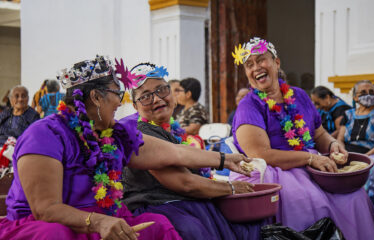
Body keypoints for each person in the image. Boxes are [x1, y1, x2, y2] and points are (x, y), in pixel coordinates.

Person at [0, 56, 250, 240]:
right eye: (117, 93)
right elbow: (46, 210)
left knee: (158, 225)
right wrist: (97, 221)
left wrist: (222, 159)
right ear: (97, 98)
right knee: (55, 234)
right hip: (52, 226)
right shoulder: (45, 134)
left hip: (103, 219)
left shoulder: (114, 133)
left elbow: (174, 152)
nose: (121, 102)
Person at [229, 37, 374, 239]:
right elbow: (260, 153)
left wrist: (334, 144)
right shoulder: (249, 106)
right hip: (274, 169)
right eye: (249, 65)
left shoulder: (299, 95)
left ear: (276, 63)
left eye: (261, 60)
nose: (256, 67)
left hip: (312, 165)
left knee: (355, 196)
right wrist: (310, 158)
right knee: (311, 201)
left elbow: (318, 133)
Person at [121, 62, 265, 240]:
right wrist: (231, 187)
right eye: (146, 96)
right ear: (135, 106)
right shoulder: (141, 133)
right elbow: (185, 183)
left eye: (161, 90)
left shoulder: (173, 130)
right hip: (162, 206)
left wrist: (226, 165)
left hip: (189, 203)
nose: (157, 99)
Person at [337, 80, 374, 155]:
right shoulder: (348, 114)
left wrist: (365, 157)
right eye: (363, 92)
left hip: (371, 155)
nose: (368, 95)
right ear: (355, 98)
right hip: (346, 153)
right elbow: (340, 139)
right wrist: (343, 153)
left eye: (371, 92)